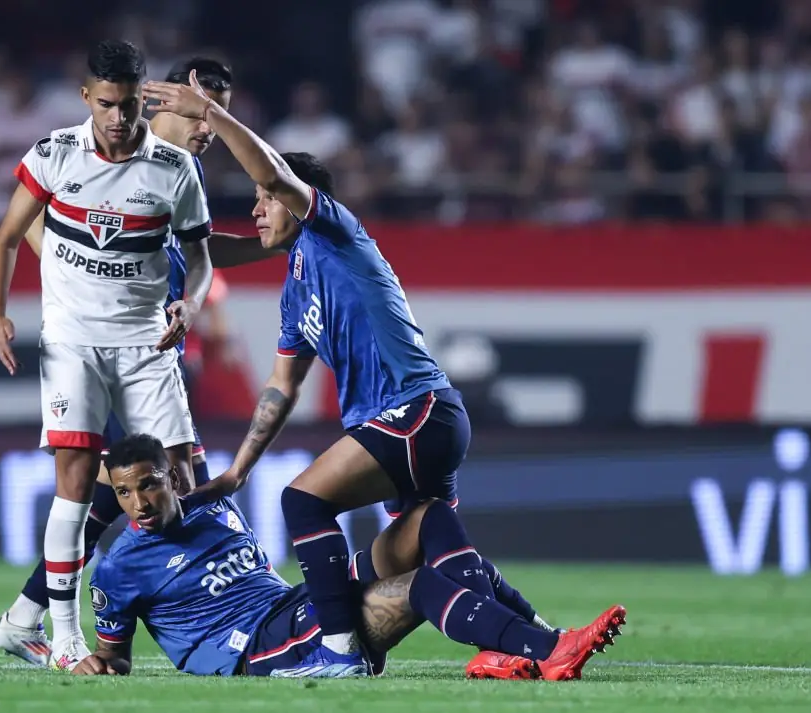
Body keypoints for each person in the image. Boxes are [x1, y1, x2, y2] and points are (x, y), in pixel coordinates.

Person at [144, 74, 559, 677]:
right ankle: (539, 640)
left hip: (413, 409)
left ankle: (336, 646)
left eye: (264, 202)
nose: (257, 211)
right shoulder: (294, 292)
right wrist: (238, 470)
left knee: (303, 502)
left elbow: (272, 175)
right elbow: (282, 387)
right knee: (430, 534)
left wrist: (208, 111)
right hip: (419, 420)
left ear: (295, 196)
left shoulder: (333, 231)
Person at [0, 57, 285, 669]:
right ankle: (236, 602)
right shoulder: (101, 159)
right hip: (103, 346)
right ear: (162, 101)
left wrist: (269, 243)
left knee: (107, 503)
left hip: (147, 350)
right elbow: (37, 220)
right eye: (202, 109)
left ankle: (23, 618)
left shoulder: (176, 174)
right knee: (180, 483)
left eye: (219, 111)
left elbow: (201, 251)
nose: (210, 125)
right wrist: (67, 269)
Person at [72, 434, 626, 680]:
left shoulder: (213, 509)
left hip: (296, 605)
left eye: (148, 485)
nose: (139, 503)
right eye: (124, 493)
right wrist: (100, 663)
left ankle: (518, 644)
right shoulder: (119, 567)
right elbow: (116, 655)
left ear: (170, 478)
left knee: (429, 518)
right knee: (422, 586)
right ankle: (548, 649)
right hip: (262, 648)